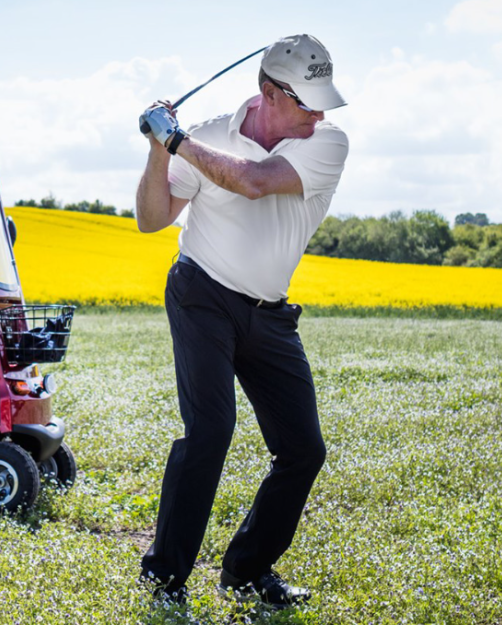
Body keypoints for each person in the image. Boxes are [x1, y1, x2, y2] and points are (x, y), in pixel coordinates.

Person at [135, 34, 349, 608]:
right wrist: (159, 149)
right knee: (210, 431)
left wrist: (175, 139)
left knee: (303, 449)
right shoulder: (207, 135)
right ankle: (164, 578)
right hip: (201, 294)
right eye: (308, 101)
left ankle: (247, 571)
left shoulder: (327, 142)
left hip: (270, 313)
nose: (320, 113)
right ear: (270, 92)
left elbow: (253, 181)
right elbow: (152, 219)